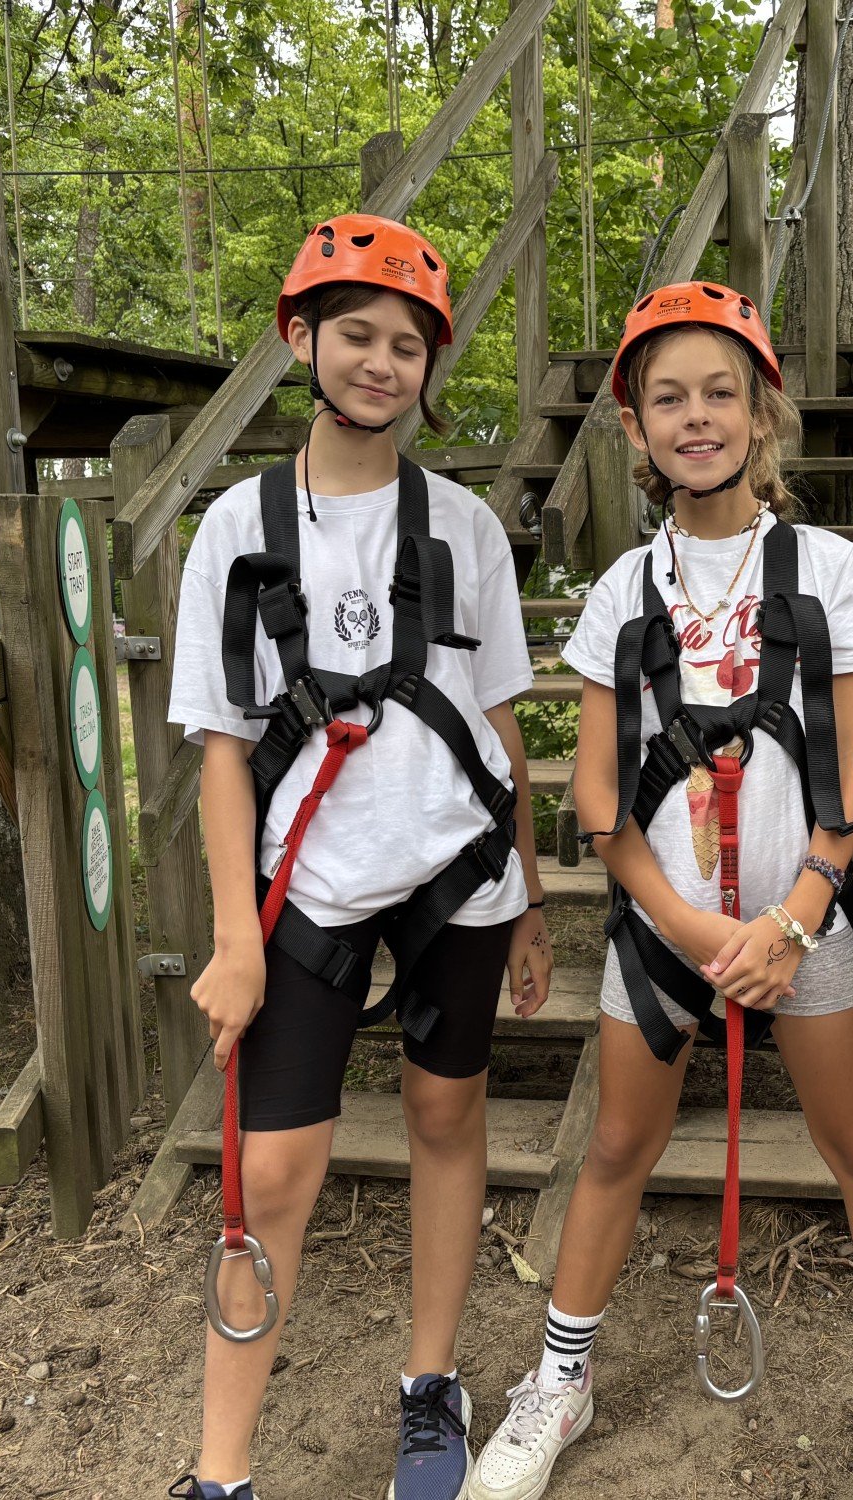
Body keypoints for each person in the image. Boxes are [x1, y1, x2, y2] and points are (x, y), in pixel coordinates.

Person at [468, 281, 853, 1500]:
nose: (695, 417)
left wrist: (791, 923)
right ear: (634, 428)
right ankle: (560, 1380)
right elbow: (598, 797)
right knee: (615, 1147)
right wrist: (692, 927)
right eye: (668, 399)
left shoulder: (826, 570)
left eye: (718, 394)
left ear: (760, 413)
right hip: (665, 924)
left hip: (802, 921)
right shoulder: (622, 592)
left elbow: (852, 784)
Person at [165, 213, 552, 1500]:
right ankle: (222, 1471)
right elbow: (223, 749)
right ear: (301, 339)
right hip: (304, 884)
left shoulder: (464, 529)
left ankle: (430, 1386)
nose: (381, 364)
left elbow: (498, 724)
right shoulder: (238, 530)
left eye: (407, 346)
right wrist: (235, 938)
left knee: (445, 1115)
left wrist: (531, 901)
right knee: (272, 1168)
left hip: (457, 873)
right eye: (356, 335)